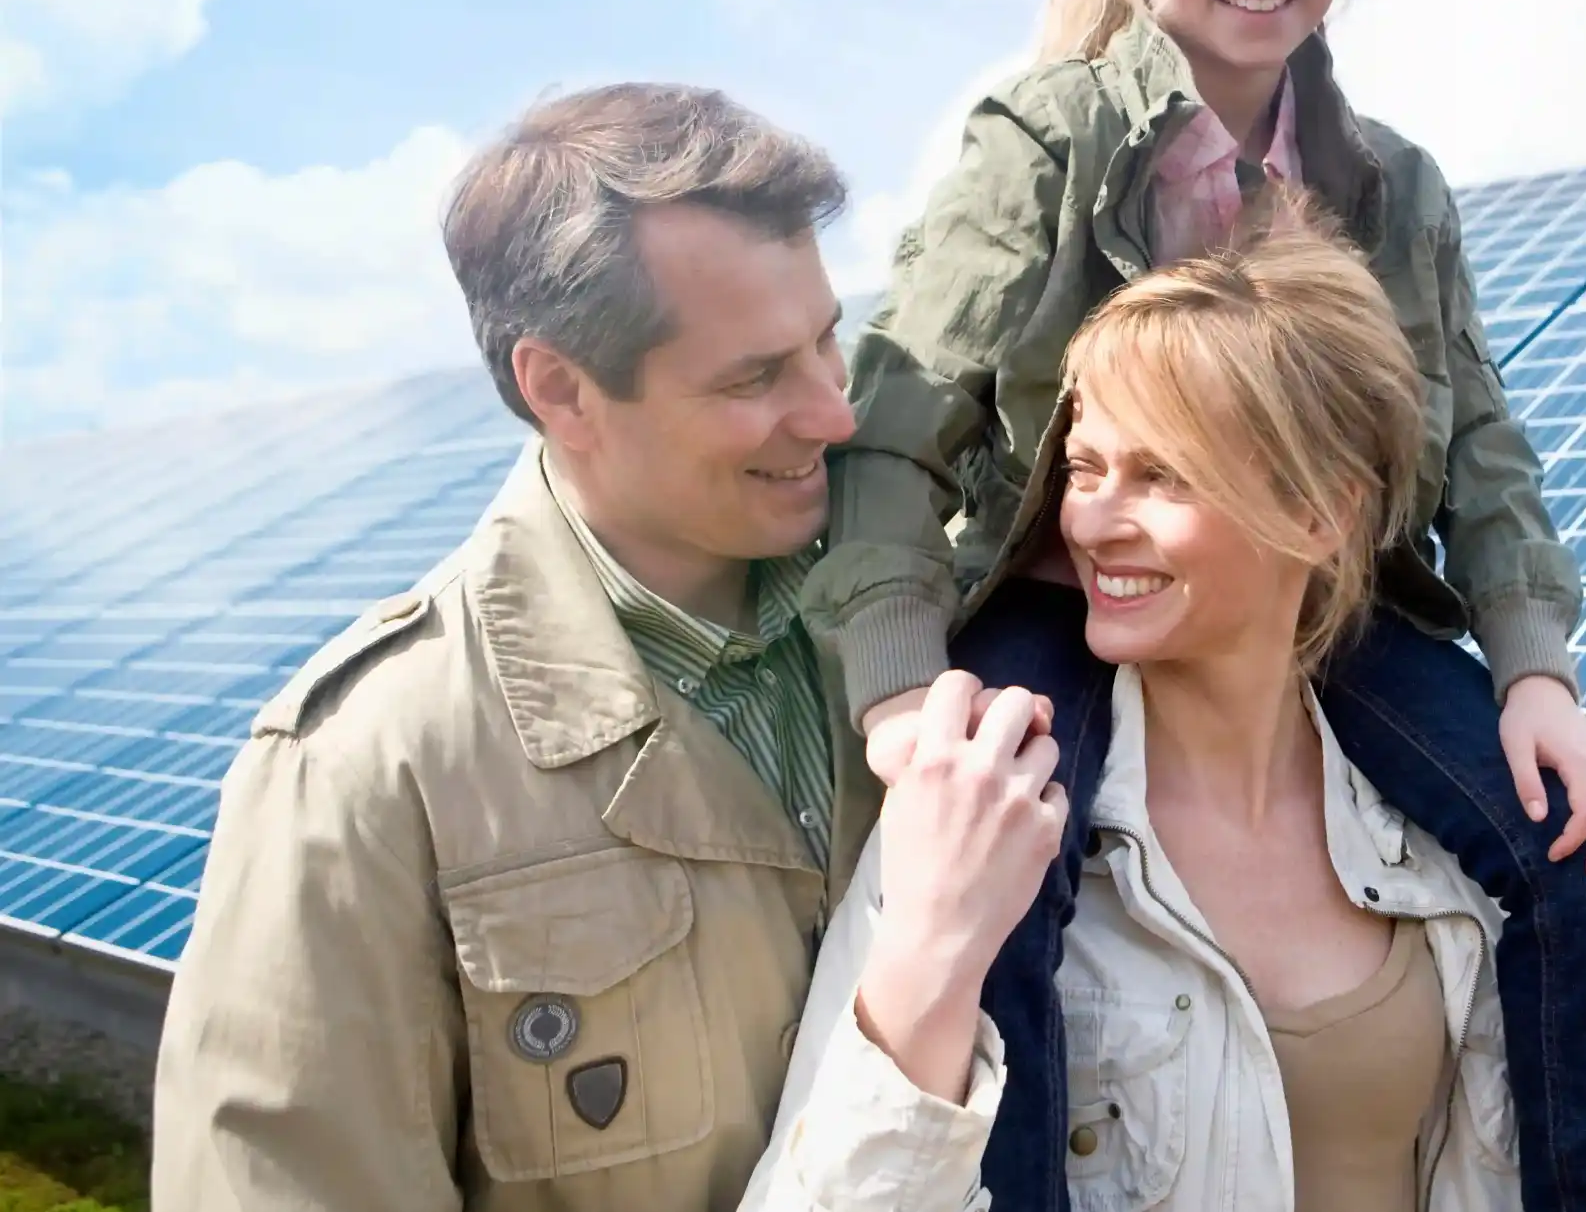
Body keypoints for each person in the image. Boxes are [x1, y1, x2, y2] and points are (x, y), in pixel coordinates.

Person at [807, 0, 1586, 1212]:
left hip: (1319, 596)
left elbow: (1476, 437)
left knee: (1581, 865)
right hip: (1079, 585)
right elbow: (899, 421)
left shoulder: (1388, 187)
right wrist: (897, 685)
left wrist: (1536, 669)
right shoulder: (1044, 144)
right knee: (1002, 881)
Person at [152, 84, 1051, 1211]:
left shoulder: (937, 625)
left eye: (831, 340)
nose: (834, 412)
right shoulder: (366, 768)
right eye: (755, 376)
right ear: (561, 389)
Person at [748, 204, 1524, 1212]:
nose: (1094, 522)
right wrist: (933, 949)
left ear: (1319, 510)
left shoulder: (1442, 830)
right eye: (1084, 467)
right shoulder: (982, 810)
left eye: (1162, 475)